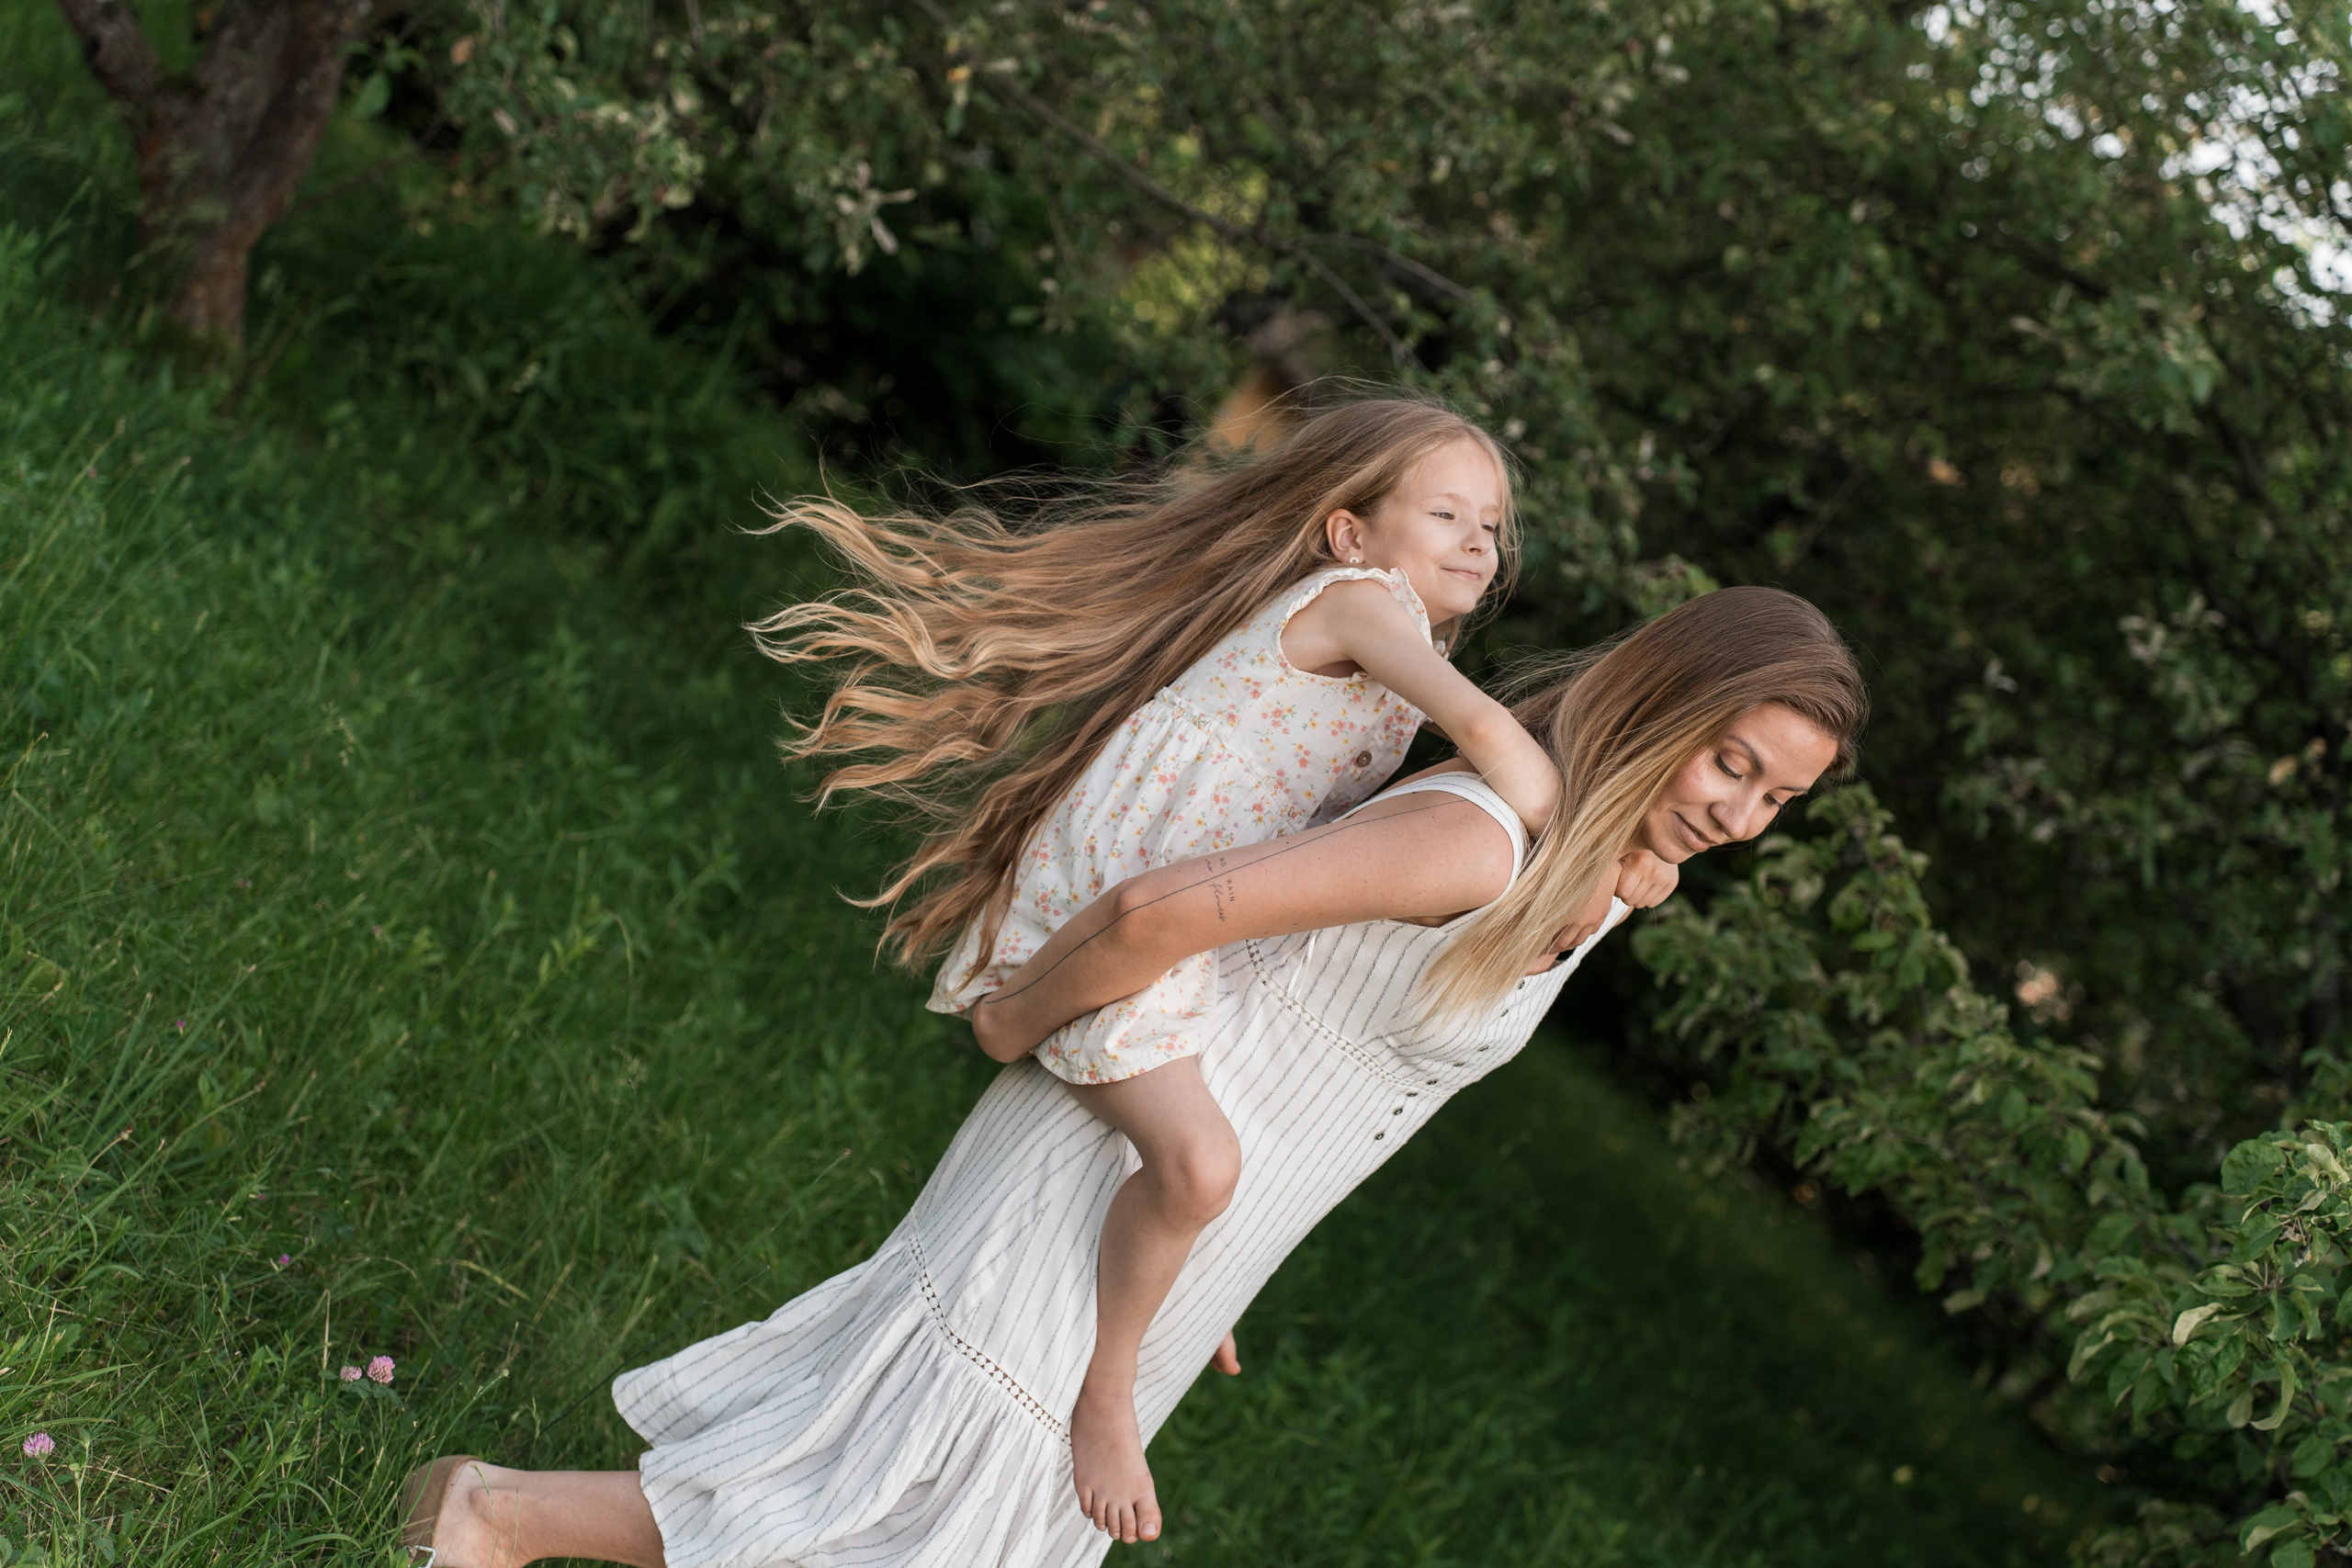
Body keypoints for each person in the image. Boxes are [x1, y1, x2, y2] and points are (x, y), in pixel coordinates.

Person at [399, 584, 1866, 1568]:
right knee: (913, 1488)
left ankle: (504, 1514)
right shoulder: (1477, 835)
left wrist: (1218, 1260)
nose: (1742, 813)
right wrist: (1010, 1012)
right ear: (1661, 700)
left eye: (1777, 797)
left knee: (943, 1521)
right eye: (1731, 763)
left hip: (1175, 1241)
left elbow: (1350, 1082)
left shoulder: (1604, 879)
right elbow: (1161, 914)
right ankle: (496, 1509)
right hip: (1103, 1163)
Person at [741, 396, 1676, 1531]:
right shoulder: (1362, 609)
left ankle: (1134, 1267)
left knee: (1190, 1183)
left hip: (1166, 893)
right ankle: (1103, 1382)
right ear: (1349, 534)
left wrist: (1619, 871)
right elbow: (1487, 738)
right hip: (1122, 894)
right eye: (1447, 515)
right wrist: (1569, 841)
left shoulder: (1386, 648)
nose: (1482, 543)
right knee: (1198, 1168)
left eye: (1493, 526)